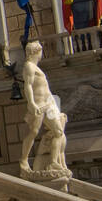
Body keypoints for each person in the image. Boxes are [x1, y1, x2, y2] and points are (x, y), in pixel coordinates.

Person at [19, 41, 68, 174]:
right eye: (40, 51)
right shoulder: (29, 66)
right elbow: (27, 86)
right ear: (36, 52)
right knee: (33, 132)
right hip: (39, 105)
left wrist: (54, 106)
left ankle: (53, 162)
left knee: (58, 132)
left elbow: (46, 89)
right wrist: (32, 103)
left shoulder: (37, 68)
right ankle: (23, 160)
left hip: (48, 105)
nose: (42, 54)